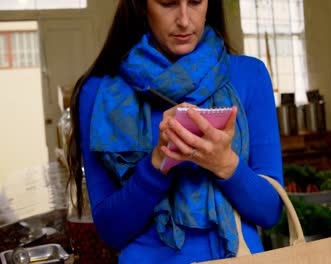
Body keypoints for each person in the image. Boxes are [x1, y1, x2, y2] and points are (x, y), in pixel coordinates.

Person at [67, 0, 283, 263]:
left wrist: (225, 164)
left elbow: (270, 212)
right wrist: (156, 164)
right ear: (141, 5)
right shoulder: (101, 92)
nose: (184, 19)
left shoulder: (248, 75)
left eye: (195, 2)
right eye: (168, 3)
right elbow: (111, 232)